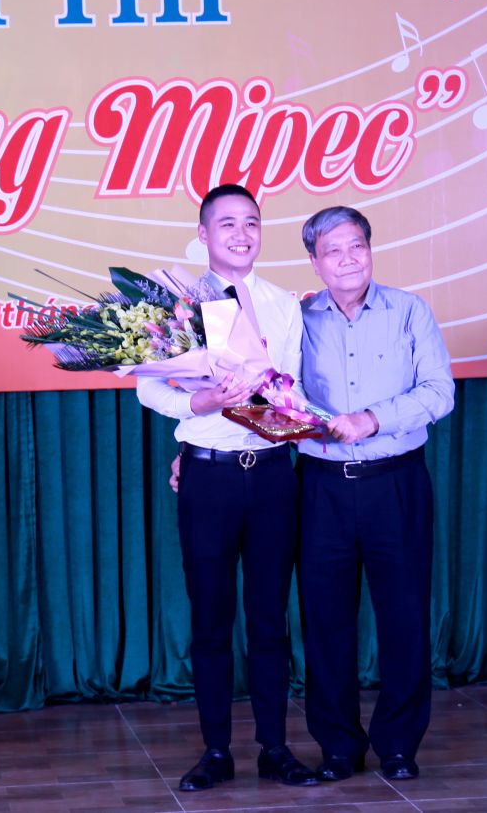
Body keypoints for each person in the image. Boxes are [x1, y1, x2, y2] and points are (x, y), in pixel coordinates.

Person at [136, 183, 318, 791]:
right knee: (211, 619)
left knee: (270, 618)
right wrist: (202, 401)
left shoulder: (283, 303)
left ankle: (275, 747)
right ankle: (216, 751)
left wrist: (285, 411)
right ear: (204, 234)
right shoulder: (178, 304)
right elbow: (148, 387)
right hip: (208, 475)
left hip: (270, 476)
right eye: (228, 224)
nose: (242, 234)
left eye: (251, 223)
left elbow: (294, 385)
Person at [295, 205, 454, 783]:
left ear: (370, 249)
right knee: (325, 622)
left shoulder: (410, 310)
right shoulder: (296, 320)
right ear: (314, 263)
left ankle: (399, 744)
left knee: (405, 616)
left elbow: (439, 391)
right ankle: (338, 746)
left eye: (356, 246)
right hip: (321, 489)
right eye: (332, 251)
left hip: (397, 482)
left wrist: (372, 419)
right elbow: (264, 394)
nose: (347, 259)